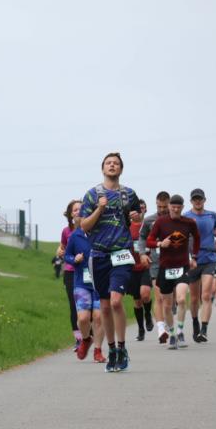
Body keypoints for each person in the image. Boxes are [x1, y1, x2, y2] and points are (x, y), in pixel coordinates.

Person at [79, 153, 141, 372]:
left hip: (122, 253)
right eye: (108, 163)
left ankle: (122, 348)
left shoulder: (129, 194)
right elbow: (84, 226)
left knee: (116, 302)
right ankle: (112, 348)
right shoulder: (92, 194)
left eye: (116, 163)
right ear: (102, 168)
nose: (112, 165)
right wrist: (99, 208)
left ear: (121, 169)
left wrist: (137, 218)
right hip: (99, 255)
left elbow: (137, 217)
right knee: (104, 306)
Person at [146, 194, 200, 349]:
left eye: (178, 207)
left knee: (182, 299)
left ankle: (181, 332)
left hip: (182, 266)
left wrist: (194, 256)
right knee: (167, 305)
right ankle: (172, 334)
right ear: (169, 206)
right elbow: (149, 240)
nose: (175, 209)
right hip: (165, 268)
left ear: (182, 207)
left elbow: (197, 238)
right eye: (173, 206)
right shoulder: (161, 222)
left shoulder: (189, 222)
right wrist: (160, 243)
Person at [183, 189, 216, 342]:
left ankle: (204, 329)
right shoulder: (186, 216)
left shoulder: (212, 214)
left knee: (205, 295)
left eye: (200, 199)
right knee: (193, 298)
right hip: (193, 260)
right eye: (195, 199)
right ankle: (195, 323)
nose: (197, 202)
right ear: (191, 201)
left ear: (205, 200)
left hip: (209, 258)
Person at [65, 225, 106, 362]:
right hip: (82, 282)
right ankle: (86, 339)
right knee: (83, 319)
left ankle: (98, 351)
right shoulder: (75, 236)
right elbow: (67, 255)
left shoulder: (102, 231)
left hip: (100, 281)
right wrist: (74, 259)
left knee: (98, 317)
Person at [139, 191, 171, 343]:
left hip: (173, 263)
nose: (162, 209)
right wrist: (142, 253)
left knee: (168, 299)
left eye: (165, 206)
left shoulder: (176, 220)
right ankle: (160, 329)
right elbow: (142, 237)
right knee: (158, 297)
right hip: (155, 264)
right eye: (159, 206)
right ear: (156, 204)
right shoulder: (149, 220)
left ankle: (169, 323)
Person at [58, 200, 83, 350]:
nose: (78, 212)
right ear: (70, 214)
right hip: (70, 272)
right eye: (75, 210)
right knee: (74, 307)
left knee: (87, 306)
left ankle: (88, 333)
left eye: (81, 209)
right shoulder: (66, 231)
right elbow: (62, 248)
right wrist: (60, 252)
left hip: (86, 272)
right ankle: (78, 339)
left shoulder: (90, 228)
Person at [126, 199, 153, 341]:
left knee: (145, 294)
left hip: (146, 266)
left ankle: (148, 314)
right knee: (137, 301)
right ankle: (141, 329)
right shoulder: (126, 227)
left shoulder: (149, 225)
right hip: (131, 267)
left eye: (143, 208)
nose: (140, 210)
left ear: (145, 210)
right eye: (137, 208)